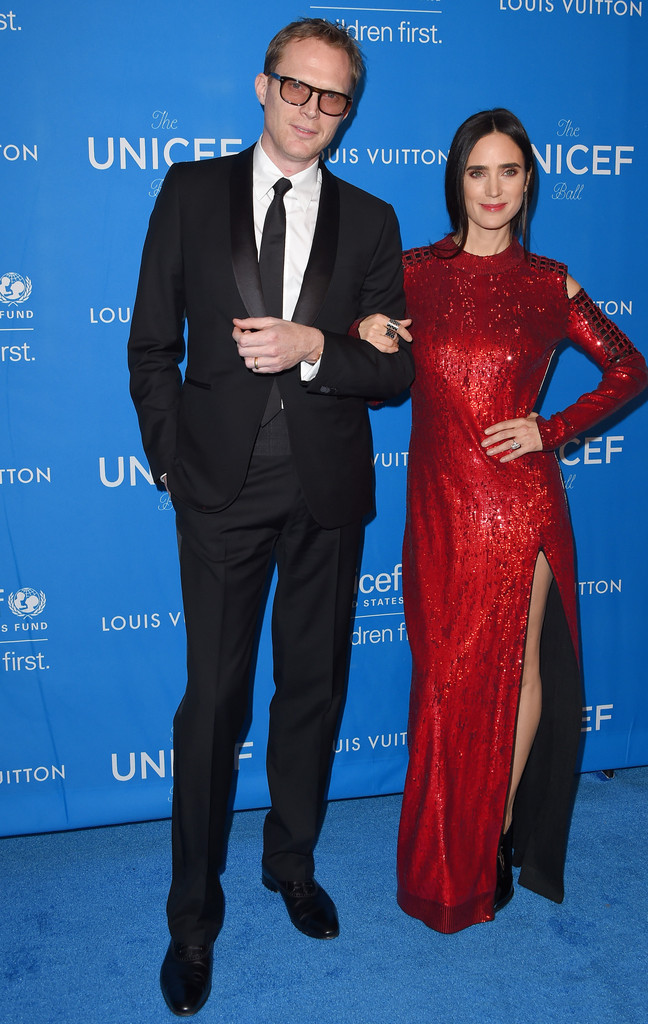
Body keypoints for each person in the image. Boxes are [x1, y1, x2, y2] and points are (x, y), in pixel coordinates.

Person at [128, 18, 414, 1015]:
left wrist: (312, 345)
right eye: (298, 88)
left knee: (312, 692)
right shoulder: (191, 191)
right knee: (213, 704)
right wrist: (172, 458)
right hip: (218, 493)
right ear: (263, 86)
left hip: (328, 496)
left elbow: (394, 367)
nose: (313, 112)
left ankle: (289, 864)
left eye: (334, 98)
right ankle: (191, 919)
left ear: (348, 111)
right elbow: (151, 345)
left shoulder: (372, 222)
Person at [359, 108, 648, 933]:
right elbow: (353, 334)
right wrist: (360, 328)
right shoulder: (410, 271)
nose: (492, 189)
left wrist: (551, 428)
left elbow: (629, 369)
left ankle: (494, 832)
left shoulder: (548, 282)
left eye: (509, 172)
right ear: (455, 179)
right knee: (445, 682)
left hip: (520, 506)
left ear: (528, 182)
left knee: (517, 677)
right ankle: (454, 838)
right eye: (477, 172)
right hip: (439, 511)